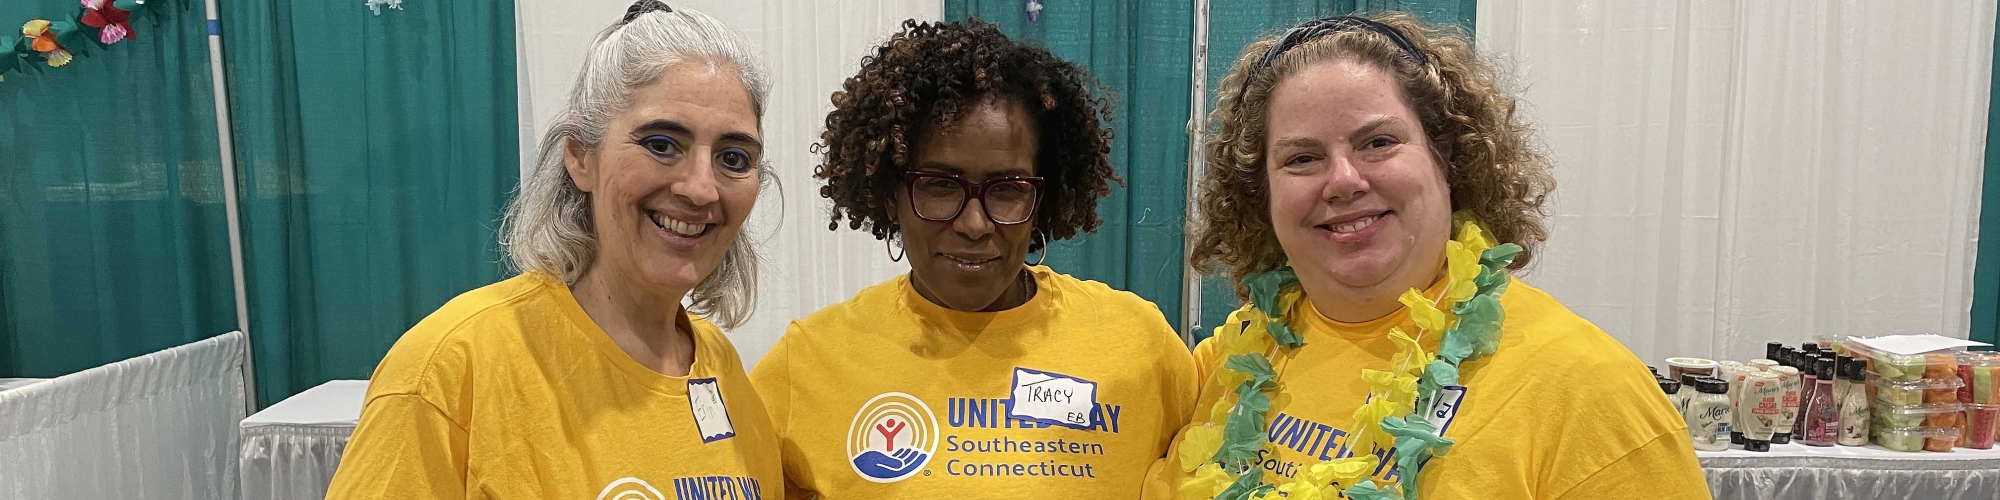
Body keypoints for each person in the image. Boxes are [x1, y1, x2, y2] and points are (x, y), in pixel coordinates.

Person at [1148, 13, 1708, 500]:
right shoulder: (1233, 356)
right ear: (1261, 193)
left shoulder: (1588, 390)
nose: (1343, 181)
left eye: (1378, 143)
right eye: (1301, 158)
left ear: (1449, 158)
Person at [326, 2, 782, 498]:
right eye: (660, 144)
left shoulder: (721, 366)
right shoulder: (452, 369)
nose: (700, 188)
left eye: (733, 158)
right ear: (581, 157)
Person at [748, 19, 1197, 498]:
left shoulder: (1141, 346)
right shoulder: (808, 362)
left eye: (1007, 189)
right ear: (890, 196)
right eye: (940, 185)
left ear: (1041, 202)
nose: (975, 224)